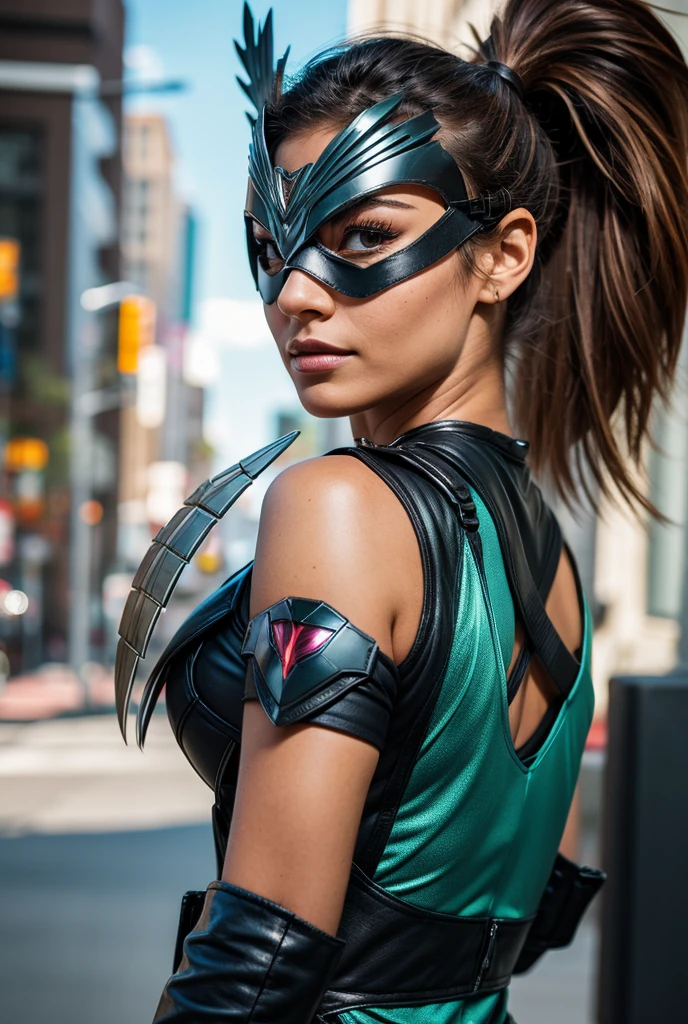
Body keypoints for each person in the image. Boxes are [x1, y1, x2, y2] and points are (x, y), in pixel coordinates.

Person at [115, 1, 688, 1021]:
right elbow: (538, 910)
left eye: (364, 235)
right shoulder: (551, 554)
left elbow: (256, 961)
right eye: (270, 247)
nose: (293, 293)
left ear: (506, 253)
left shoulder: (338, 506)